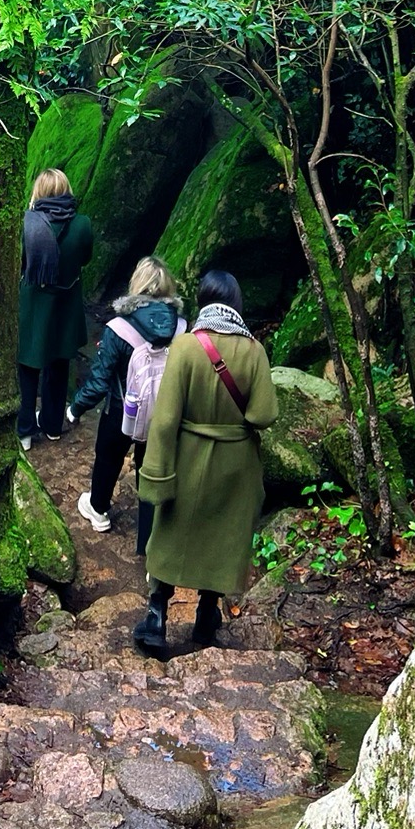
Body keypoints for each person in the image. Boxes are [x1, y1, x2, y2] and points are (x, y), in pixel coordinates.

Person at [134, 268, 277, 655]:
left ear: (203, 302)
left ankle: (156, 615)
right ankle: (206, 616)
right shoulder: (254, 351)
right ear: (236, 305)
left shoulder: (184, 347)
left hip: (187, 456)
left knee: (169, 532)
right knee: (221, 538)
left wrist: (156, 475)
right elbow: (264, 414)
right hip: (235, 463)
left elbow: (163, 419)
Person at [68, 258, 184, 551]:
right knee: (150, 470)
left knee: (108, 457)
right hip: (164, 411)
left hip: (123, 409)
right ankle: (147, 542)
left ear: (137, 285)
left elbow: (98, 382)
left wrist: (75, 409)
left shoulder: (118, 328)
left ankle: (98, 510)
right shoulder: (182, 327)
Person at [17, 168, 93, 450]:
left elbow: (22, 264)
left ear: (38, 192)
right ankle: (52, 425)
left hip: (34, 306)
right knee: (59, 365)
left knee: (28, 367)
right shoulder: (82, 224)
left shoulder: (27, 224)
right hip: (66, 306)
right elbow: (85, 258)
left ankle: (24, 431)